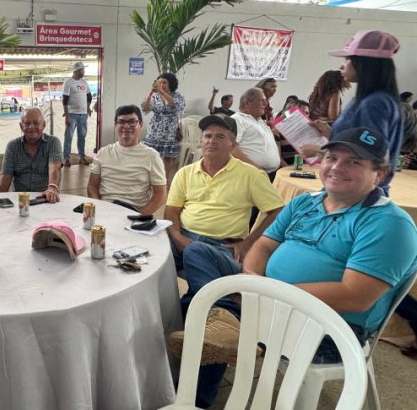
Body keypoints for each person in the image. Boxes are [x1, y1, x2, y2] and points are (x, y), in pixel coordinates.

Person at [167, 127, 417, 408]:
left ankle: (199, 390)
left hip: (327, 325)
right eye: (332, 158)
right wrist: (252, 282)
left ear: (380, 174)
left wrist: (265, 295)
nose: (337, 167)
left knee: (200, 304)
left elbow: (354, 296)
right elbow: (263, 246)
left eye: (354, 162)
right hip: (268, 298)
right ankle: (228, 319)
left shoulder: (388, 223)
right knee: (200, 253)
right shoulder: (305, 202)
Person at [165, 114, 285, 276]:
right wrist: (177, 237)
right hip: (184, 237)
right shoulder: (185, 173)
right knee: (150, 252)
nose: (212, 141)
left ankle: (203, 290)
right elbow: (171, 210)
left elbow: (278, 211)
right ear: (201, 141)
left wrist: (248, 243)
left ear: (233, 145)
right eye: (207, 136)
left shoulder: (252, 175)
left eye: (220, 137)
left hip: (222, 246)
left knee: (196, 253)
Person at [302, 30, 402, 195]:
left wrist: (319, 152)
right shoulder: (367, 100)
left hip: (358, 193)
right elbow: (357, 139)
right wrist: (330, 132)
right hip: (348, 188)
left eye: (348, 60)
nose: (342, 66)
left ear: (364, 64)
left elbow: (371, 153)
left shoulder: (375, 103)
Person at [87, 105, 167, 214]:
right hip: (105, 207)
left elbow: (161, 193)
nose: (126, 126)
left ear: (140, 125)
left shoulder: (152, 156)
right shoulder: (103, 153)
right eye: (121, 122)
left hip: (133, 211)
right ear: (116, 126)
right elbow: (92, 186)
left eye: (132, 122)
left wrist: (140, 217)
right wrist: (99, 208)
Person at [0, 108, 62, 203]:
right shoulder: (12, 146)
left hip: (46, 199)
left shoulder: (53, 142)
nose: (31, 127)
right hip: (19, 200)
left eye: (36, 123)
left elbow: (55, 167)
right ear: (21, 126)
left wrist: (52, 188)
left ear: (44, 125)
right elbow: (6, 176)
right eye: (27, 123)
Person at [141, 73, 186, 186]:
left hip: (170, 130)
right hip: (155, 129)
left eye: (164, 83)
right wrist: (151, 92)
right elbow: (145, 108)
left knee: (168, 157)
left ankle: (164, 182)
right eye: (159, 83)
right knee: (151, 155)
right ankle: (150, 180)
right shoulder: (155, 96)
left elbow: (175, 105)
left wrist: (162, 92)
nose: (161, 85)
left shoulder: (177, 96)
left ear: (171, 83)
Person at [230, 88, 281, 181]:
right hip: (252, 175)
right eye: (262, 100)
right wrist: (257, 169)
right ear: (247, 103)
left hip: (270, 174)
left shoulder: (260, 121)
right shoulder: (237, 119)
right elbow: (232, 148)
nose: (266, 104)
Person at [62, 61, 92, 167]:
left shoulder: (84, 82)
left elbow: (89, 96)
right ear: (77, 70)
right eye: (82, 70)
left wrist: (88, 108)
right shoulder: (68, 83)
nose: (84, 71)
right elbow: (65, 100)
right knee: (68, 137)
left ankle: (81, 157)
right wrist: (67, 116)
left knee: (82, 137)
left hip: (83, 115)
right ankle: (66, 158)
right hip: (72, 114)